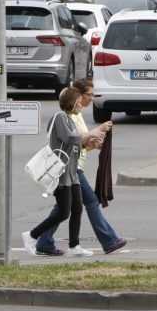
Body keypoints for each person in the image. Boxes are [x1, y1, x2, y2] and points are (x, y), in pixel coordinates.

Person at [34, 79, 127, 255]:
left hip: (76, 166)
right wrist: (98, 130)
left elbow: (79, 143)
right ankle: (109, 240)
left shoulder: (78, 113)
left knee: (65, 208)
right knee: (88, 202)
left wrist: (93, 144)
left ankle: (45, 241)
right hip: (71, 167)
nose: (91, 98)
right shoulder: (67, 115)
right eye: (89, 95)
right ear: (79, 95)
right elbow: (73, 138)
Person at [22, 87, 90, 257]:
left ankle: (74, 246)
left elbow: (72, 144)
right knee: (63, 212)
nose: (81, 106)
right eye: (79, 103)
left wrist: (88, 144)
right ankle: (32, 235)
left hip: (72, 173)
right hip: (60, 174)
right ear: (72, 102)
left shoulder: (69, 119)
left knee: (77, 208)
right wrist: (87, 136)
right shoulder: (60, 117)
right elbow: (68, 138)